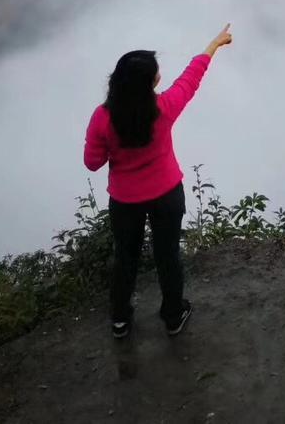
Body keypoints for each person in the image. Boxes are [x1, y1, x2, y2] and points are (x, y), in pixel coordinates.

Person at [84, 24, 232, 339]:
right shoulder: (163, 109)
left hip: (125, 201)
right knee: (167, 256)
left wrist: (117, 154)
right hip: (166, 193)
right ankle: (173, 315)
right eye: (156, 75)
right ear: (149, 84)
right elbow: (190, 80)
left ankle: (121, 319)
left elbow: (92, 163)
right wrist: (213, 45)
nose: (160, 78)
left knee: (126, 257)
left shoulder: (103, 118)